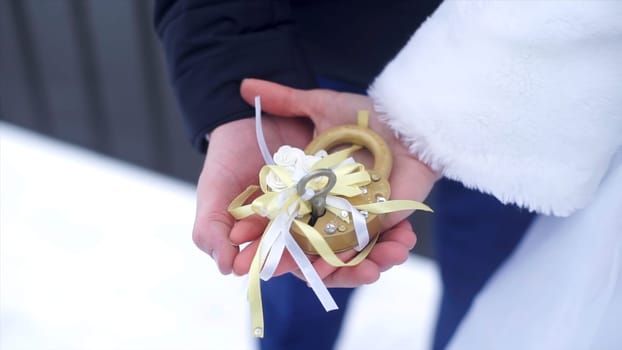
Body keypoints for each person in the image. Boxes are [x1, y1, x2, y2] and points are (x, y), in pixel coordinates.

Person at [156, 1, 621, 349]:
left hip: (522, 94)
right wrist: (237, 65)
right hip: (308, 69)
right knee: (295, 272)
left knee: (487, 288)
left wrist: (496, 83)